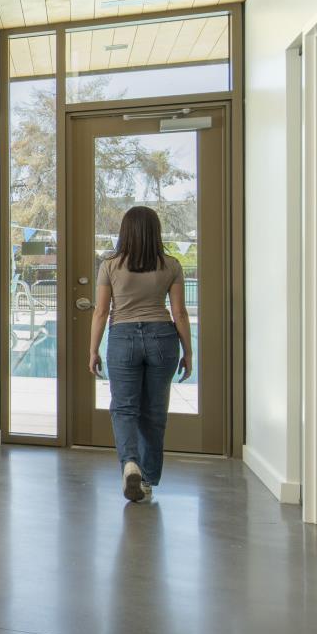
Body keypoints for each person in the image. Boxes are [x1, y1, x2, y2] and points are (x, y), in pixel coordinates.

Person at [87, 205, 193, 503]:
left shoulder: (110, 265)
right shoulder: (171, 265)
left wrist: (93, 350)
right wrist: (189, 351)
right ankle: (146, 480)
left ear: (125, 232)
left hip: (123, 336)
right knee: (154, 411)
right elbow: (180, 313)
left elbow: (101, 312)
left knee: (124, 408)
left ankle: (129, 463)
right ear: (155, 232)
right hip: (162, 338)